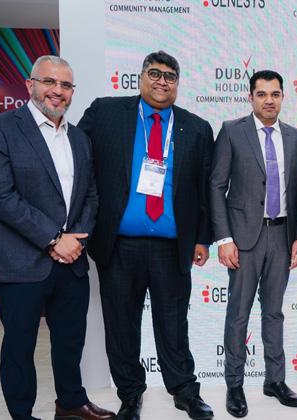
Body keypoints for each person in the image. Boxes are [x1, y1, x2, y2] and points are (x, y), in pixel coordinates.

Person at [77, 51, 214, 420]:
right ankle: (130, 395)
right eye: (154, 73)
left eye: (170, 76)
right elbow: (75, 161)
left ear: (177, 84)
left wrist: (202, 239)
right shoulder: (106, 113)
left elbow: (205, 189)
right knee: (122, 326)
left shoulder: (197, 128)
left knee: (174, 325)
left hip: (172, 248)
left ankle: (185, 392)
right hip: (119, 245)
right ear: (140, 76)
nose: (161, 81)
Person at [0, 55, 115, 420]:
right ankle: (21, 414)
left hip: (72, 261)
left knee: (70, 340)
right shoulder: (2, 128)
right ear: (30, 85)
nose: (57, 91)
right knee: (19, 346)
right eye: (49, 82)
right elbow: (0, 195)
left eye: (65, 85)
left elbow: (90, 195)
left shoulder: (79, 137)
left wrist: (76, 241)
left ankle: (71, 403)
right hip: (22, 262)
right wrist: (53, 238)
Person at [210, 70, 297, 418]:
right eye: (262, 94)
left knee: (274, 312)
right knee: (238, 313)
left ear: (282, 97)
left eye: (275, 94)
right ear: (250, 97)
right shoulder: (232, 131)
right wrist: (224, 239)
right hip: (243, 238)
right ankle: (234, 385)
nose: (269, 100)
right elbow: (216, 185)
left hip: (282, 235)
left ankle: (275, 380)